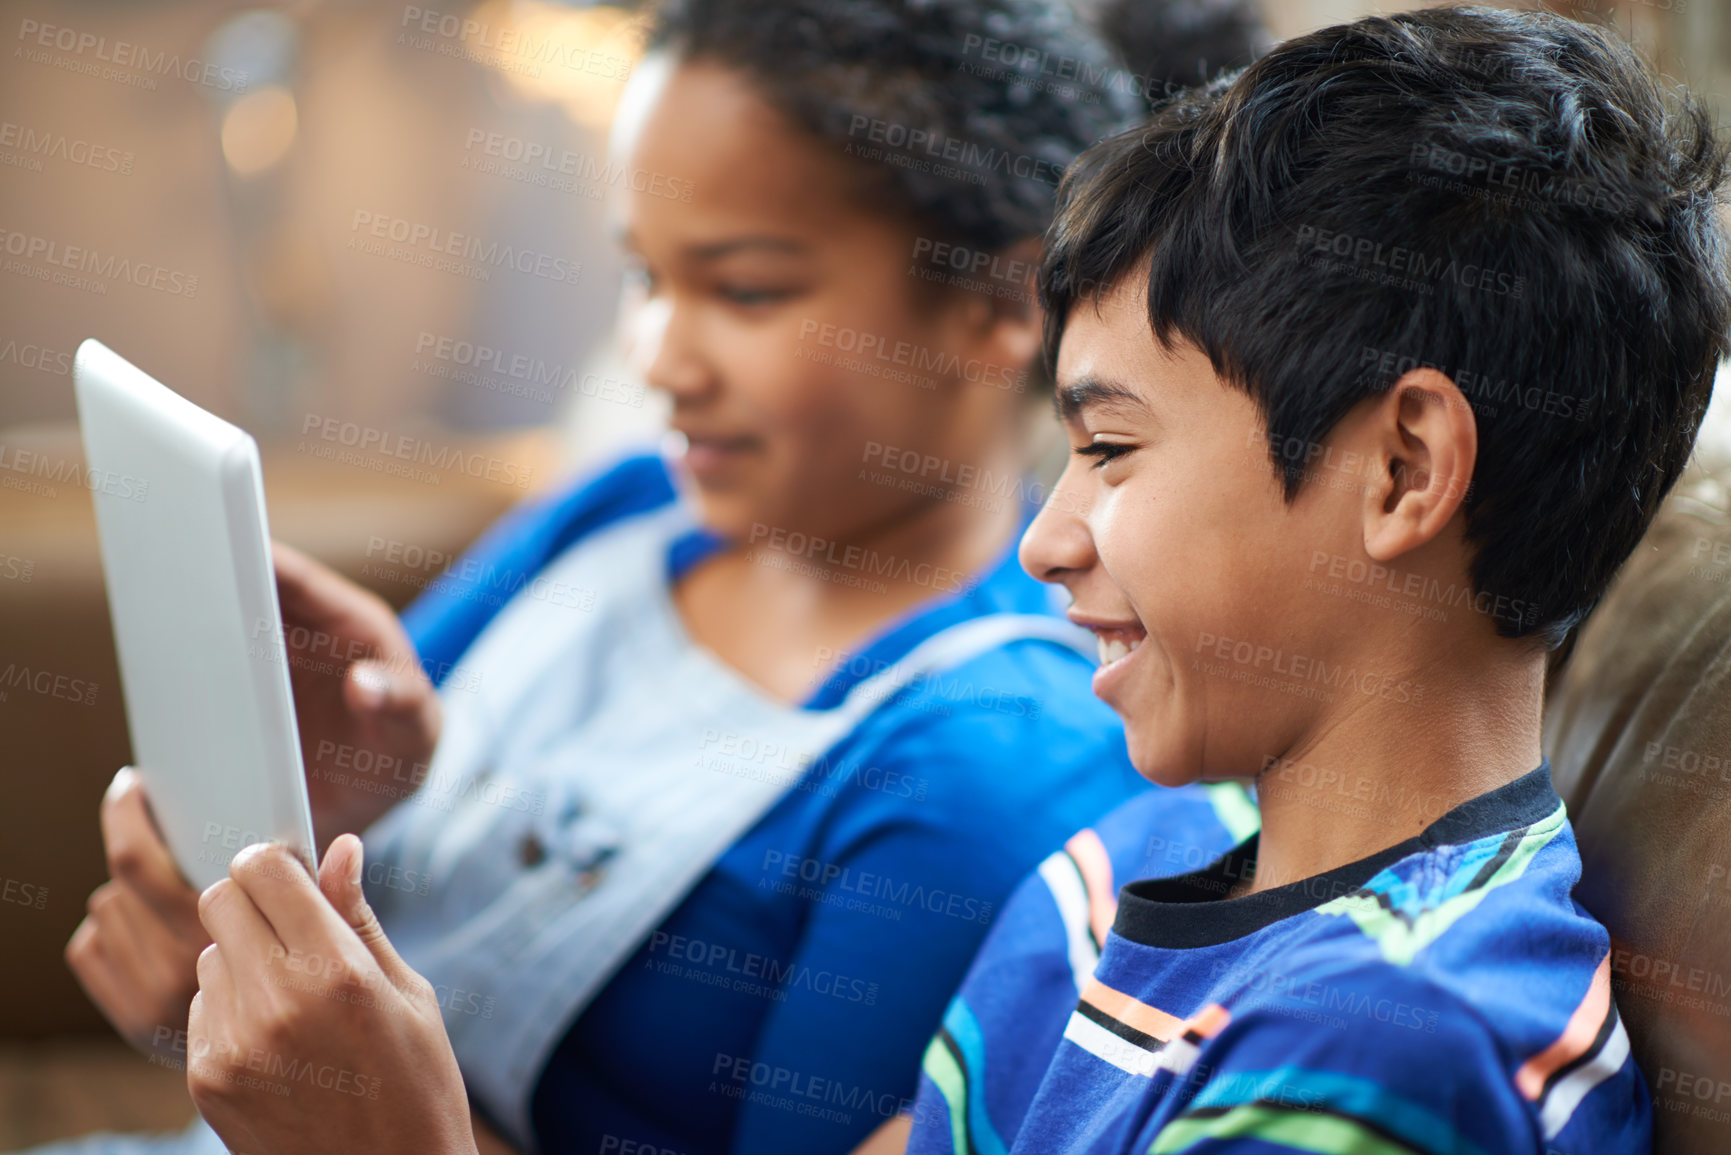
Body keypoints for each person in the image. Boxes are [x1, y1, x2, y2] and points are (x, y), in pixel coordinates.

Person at [35, 3, 1266, 1155]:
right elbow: (312, 883)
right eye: (644, 276)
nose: (657, 356)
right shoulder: (626, 506)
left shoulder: (988, 763)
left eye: (743, 289)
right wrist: (333, 813)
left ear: (999, 305)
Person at [886, 7, 1731, 1152]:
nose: (1047, 540)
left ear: (1402, 471)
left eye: (1112, 453)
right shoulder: (1127, 859)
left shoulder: (1398, 1042)